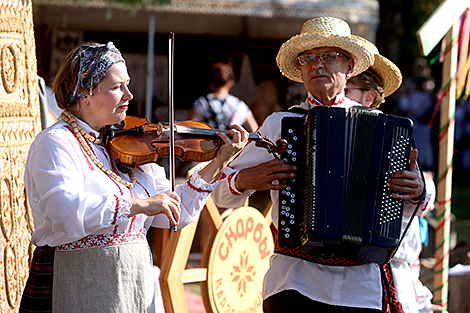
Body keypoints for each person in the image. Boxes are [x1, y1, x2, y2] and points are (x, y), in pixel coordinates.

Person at [211, 17, 431, 312]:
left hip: (361, 287)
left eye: (328, 57)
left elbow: (414, 203)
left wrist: (417, 192)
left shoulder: (381, 128)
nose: (317, 65)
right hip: (294, 281)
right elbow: (219, 192)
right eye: (308, 58)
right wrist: (247, 179)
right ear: (300, 70)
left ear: (349, 66)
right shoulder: (280, 125)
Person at [19, 42, 248, 313]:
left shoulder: (131, 145)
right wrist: (136, 205)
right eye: (117, 87)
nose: (129, 94)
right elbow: (64, 210)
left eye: (127, 84)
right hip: (76, 281)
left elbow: (178, 211)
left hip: (132, 285)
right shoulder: (56, 142)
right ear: (85, 92)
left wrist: (218, 163)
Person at [345, 54, 441, 313]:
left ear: (368, 97)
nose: (340, 94)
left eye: (347, 89)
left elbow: (424, 193)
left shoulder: (391, 135)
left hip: (382, 273)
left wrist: (419, 190)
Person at [189, 61, 259, 133]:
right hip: (234, 143)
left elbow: (189, 131)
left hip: (207, 143)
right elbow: (256, 133)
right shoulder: (240, 106)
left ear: (210, 84)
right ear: (230, 84)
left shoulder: (200, 103)